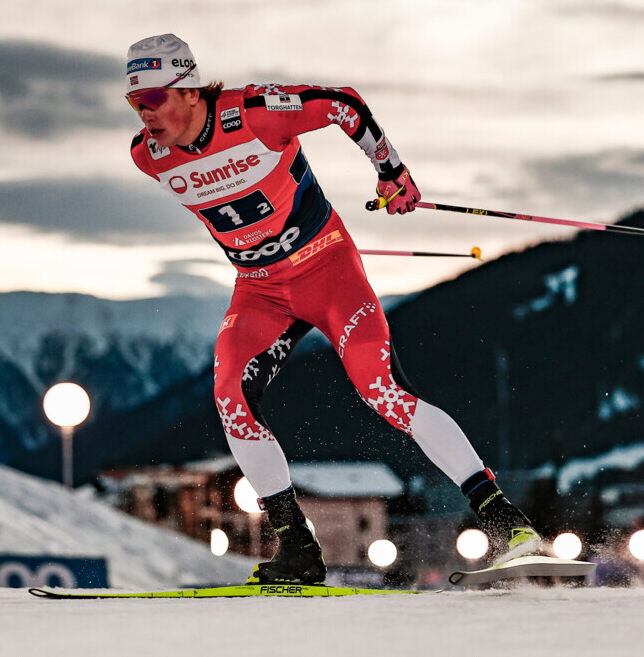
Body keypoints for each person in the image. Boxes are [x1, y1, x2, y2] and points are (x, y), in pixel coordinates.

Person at [125, 33, 539, 585]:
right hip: (260, 290)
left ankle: (508, 523)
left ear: (191, 89)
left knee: (382, 391)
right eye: (134, 102)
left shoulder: (252, 114)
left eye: (153, 98)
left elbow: (344, 103)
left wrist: (391, 172)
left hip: (328, 271)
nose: (144, 114)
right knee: (230, 397)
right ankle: (297, 547)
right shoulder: (146, 156)